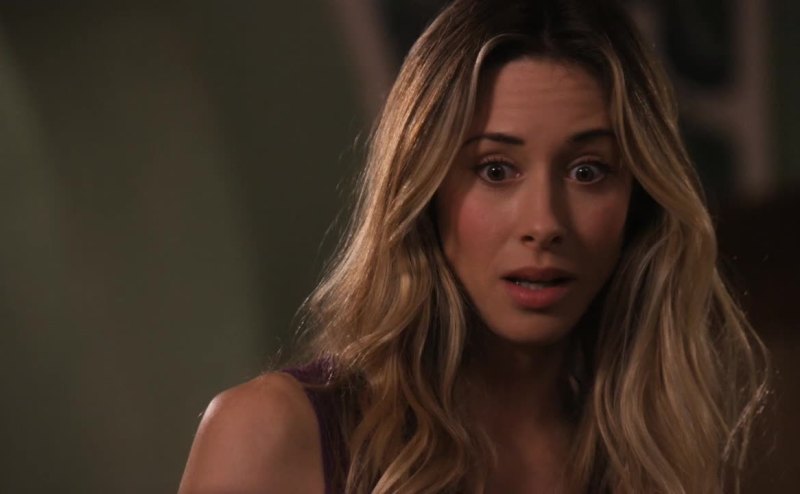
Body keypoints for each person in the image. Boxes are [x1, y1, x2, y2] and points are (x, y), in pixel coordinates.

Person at [178, 0, 769, 492]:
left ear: (638, 201)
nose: (544, 223)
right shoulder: (273, 434)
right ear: (425, 189)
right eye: (495, 170)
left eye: (588, 171)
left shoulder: (658, 461)